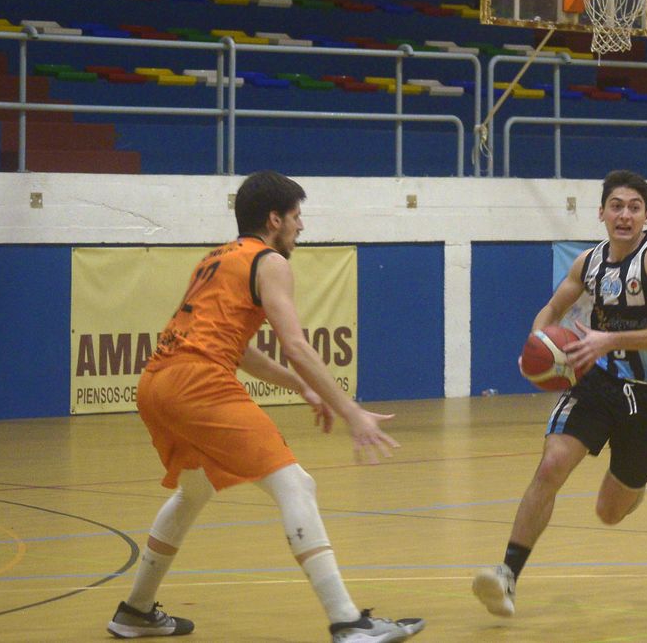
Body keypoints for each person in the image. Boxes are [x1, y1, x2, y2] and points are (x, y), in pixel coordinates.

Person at [108, 171, 423, 642]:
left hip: (156, 383)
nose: (301, 226)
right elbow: (294, 344)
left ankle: (134, 611)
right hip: (197, 383)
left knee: (193, 492)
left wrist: (301, 387)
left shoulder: (216, 259)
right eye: (296, 217)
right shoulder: (269, 261)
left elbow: (243, 350)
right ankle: (347, 621)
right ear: (274, 219)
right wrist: (351, 410)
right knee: (296, 485)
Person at [473, 170, 647, 617]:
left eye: (634, 207)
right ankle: (507, 576)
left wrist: (610, 340)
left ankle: (632, 487)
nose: (625, 215)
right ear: (601, 213)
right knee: (552, 463)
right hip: (599, 383)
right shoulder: (589, 263)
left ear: (646, 215)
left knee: (610, 512)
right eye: (617, 206)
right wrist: (535, 345)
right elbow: (553, 308)